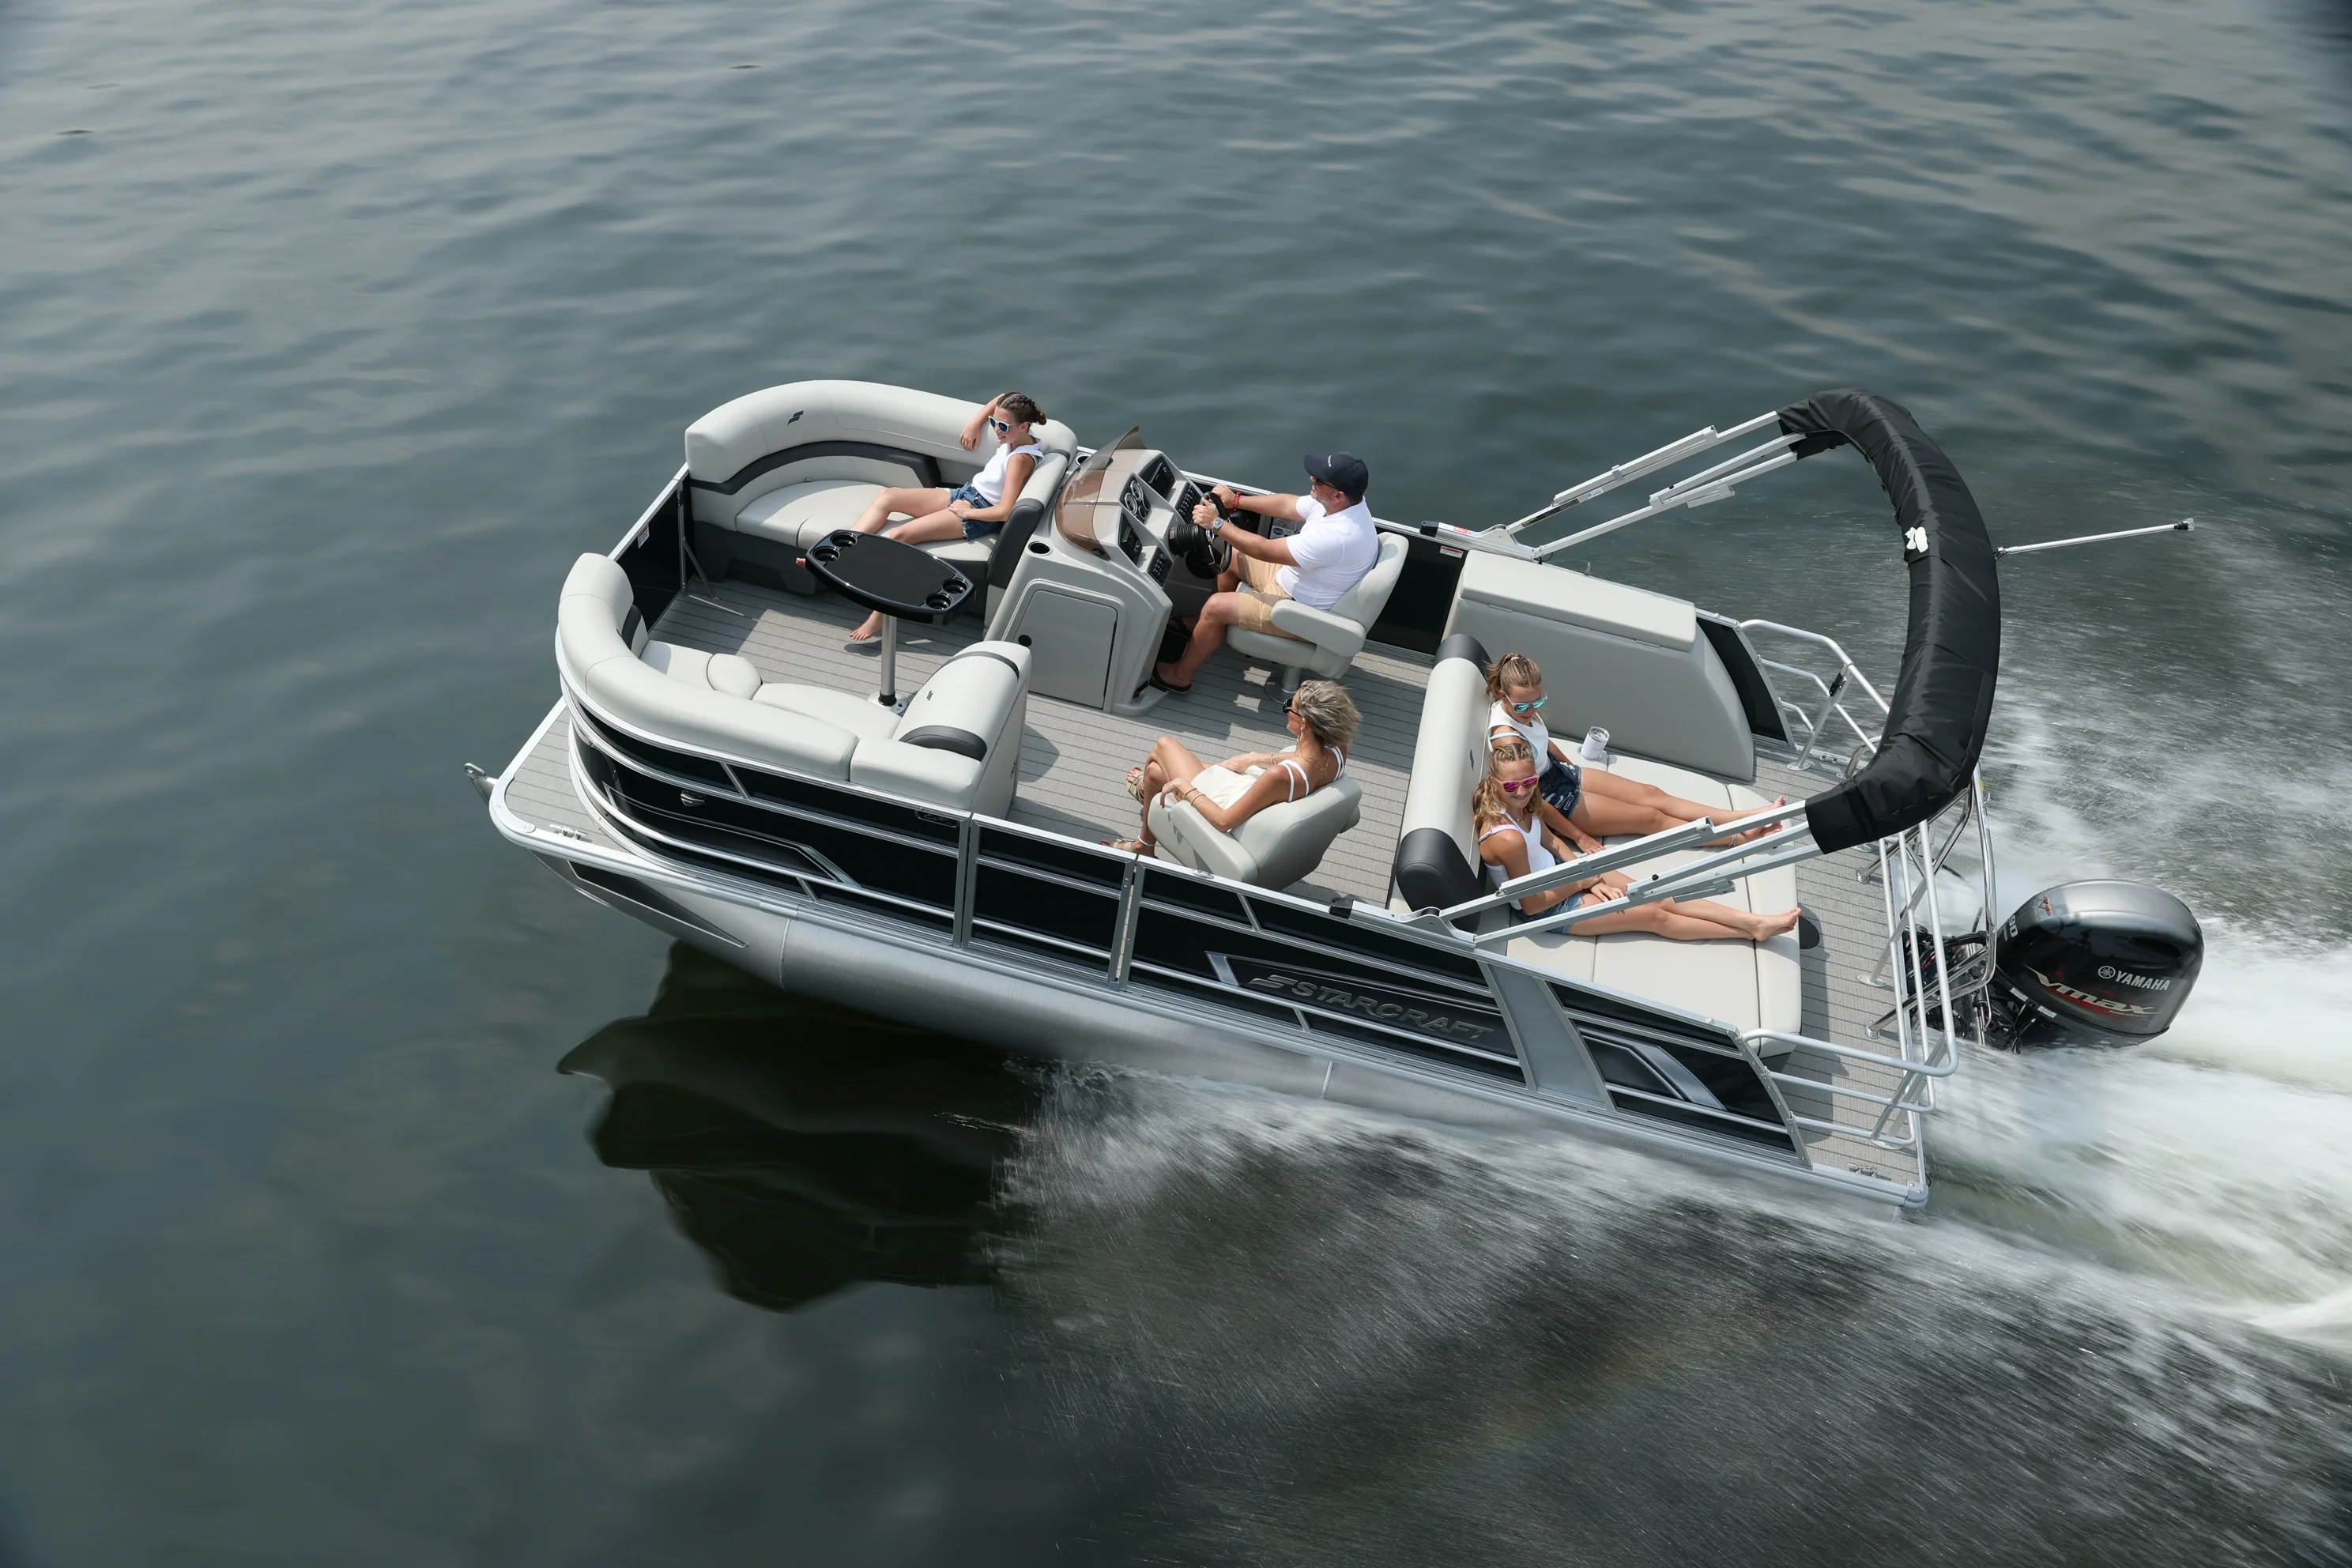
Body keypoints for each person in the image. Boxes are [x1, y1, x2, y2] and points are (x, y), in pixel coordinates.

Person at [1476, 741, 1802, 940]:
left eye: (1530, 781)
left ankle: (1753, 922)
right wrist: (1583, 882)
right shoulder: (1507, 838)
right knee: (1654, 916)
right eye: (1512, 786)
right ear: (1495, 782)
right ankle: (1751, 931)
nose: (1522, 791)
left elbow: (1554, 843)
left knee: (1657, 893)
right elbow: (1532, 903)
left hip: (1564, 873)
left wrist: (1584, 875)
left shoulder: (1529, 800)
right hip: (1548, 906)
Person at [1484, 651, 1785, 849]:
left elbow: (1544, 743)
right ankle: (1737, 839)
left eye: (1538, 702)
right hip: (1549, 798)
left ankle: (1745, 816)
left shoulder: (1520, 709)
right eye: (1523, 706)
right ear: (1503, 696)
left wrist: (1573, 770)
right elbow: (1530, 800)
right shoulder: (1508, 742)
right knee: (1650, 817)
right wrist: (1579, 837)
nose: (1531, 711)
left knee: (1653, 794)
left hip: (1559, 774)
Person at [1149, 450, 1381, 694]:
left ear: (1338, 495)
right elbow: (1287, 504)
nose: (1312, 479)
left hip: (1301, 611)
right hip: (1295, 580)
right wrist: (1235, 501)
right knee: (1232, 556)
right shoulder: (1343, 504)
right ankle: (1206, 627)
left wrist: (1217, 524)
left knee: (1215, 607)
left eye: (1319, 480)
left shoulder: (1337, 536)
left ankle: (1179, 676)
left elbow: (1265, 550)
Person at [838, 392, 1049, 647]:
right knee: (887, 497)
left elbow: (1004, 511)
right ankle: (841, 552)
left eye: (1003, 426)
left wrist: (966, 513)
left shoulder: (1020, 459)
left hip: (978, 513)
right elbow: (1002, 399)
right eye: (994, 423)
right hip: (965, 493)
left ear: (1024, 426)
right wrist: (976, 423)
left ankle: (879, 615)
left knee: (900, 536)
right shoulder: (1016, 435)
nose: (996, 430)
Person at [1108, 680, 1362, 855]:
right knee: (1157, 773)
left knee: (1163, 747)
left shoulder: (1280, 776)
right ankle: (1145, 835)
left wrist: (1185, 788)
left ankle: (1146, 797)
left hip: (1223, 803)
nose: (1286, 710)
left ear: (1304, 723)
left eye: (1289, 706)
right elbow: (1301, 758)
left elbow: (1223, 821)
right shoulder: (1338, 750)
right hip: (1250, 791)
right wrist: (1255, 758)